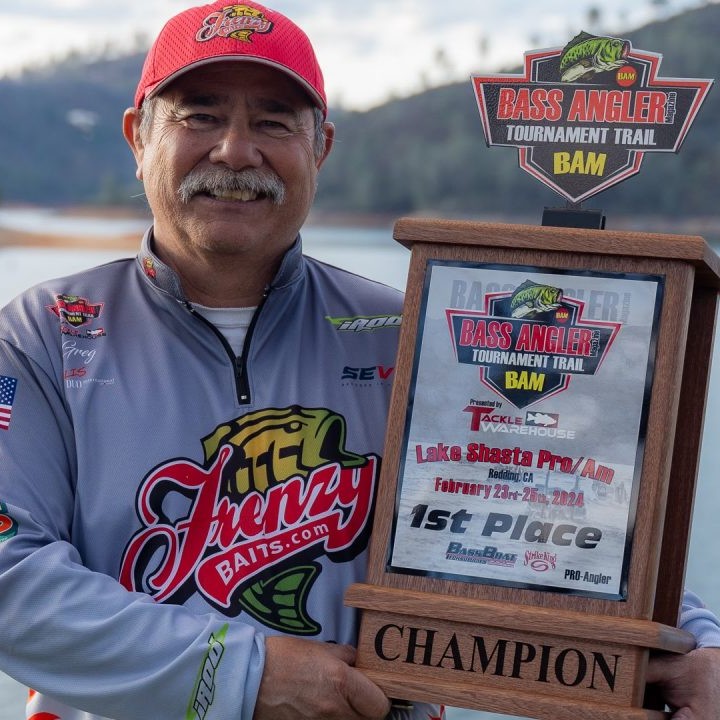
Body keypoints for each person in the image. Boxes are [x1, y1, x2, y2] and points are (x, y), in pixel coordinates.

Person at [0, 2, 717, 720]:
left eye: (274, 122)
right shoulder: (42, 335)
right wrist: (246, 675)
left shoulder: (410, 331)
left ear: (321, 149)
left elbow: (540, 504)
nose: (236, 152)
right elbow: (10, 573)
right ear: (138, 137)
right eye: (201, 116)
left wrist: (695, 639)